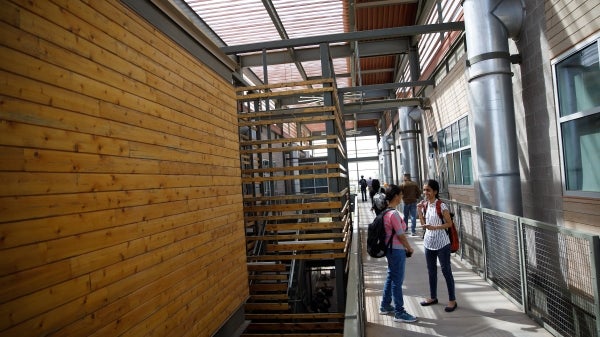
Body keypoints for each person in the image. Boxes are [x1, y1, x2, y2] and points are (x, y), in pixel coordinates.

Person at [378, 184, 418, 323]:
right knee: (397, 281)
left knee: (391, 277)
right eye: (400, 195)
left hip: (390, 249)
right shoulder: (393, 214)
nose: (402, 197)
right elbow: (401, 235)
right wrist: (409, 248)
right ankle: (399, 312)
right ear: (395, 196)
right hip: (396, 250)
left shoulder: (385, 212)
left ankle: (385, 305)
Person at [417, 179, 457, 312]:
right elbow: (424, 224)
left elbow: (449, 224)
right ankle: (433, 297)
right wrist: (419, 211)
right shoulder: (426, 205)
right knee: (431, 271)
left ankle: (452, 300)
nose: (425, 192)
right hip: (428, 242)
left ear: (435, 191)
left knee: (446, 271)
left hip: (442, 244)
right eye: (424, 190)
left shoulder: (442, 205)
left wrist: (435, 227)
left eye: (428, 190)